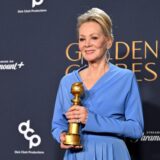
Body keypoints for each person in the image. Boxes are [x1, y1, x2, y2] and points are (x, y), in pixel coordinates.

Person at [51, 8, 144, 160]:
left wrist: (91, 119)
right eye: (82, 39)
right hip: (77, 155)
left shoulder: (125, 78)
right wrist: (62, 136)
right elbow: (58, 124)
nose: (87, 44)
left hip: (112, 154)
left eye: (94, 37)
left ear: (108, 42)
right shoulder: (67, 81)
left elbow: (136, 129)